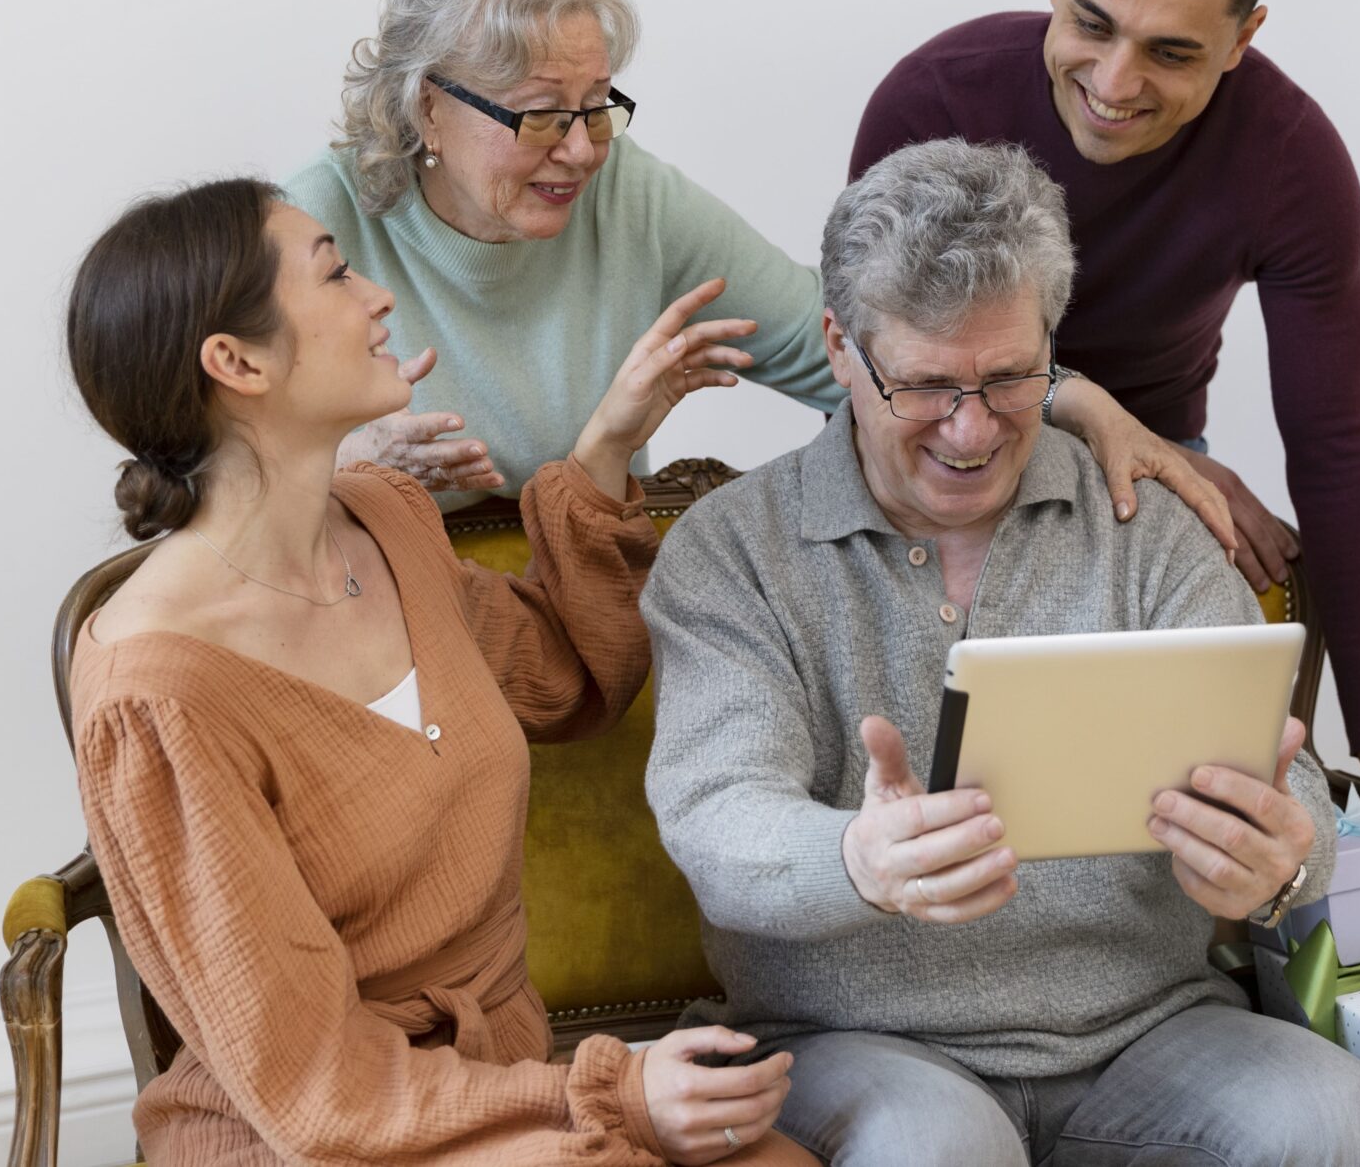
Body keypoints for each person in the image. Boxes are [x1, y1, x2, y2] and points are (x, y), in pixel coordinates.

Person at [643, 141, 1360, 1166]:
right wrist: (856, 860)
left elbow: (1295, 801)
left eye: (1011, 378)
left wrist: (1281, 863)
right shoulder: (732, 548)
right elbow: (717, 822)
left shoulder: (1146, 528)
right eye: (924, 386)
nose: (970, 431)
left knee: (1346, 1130)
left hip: (1155, 1030)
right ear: (839, 346)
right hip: (857, 1044)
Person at [64, 177, 809, 1165]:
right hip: (308, 1134)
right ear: (236, 361)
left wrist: (610, 439)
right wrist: (615, 1088)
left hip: (490, 1092)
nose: (377, 297)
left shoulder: (387, 522)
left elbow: (567, 673)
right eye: (334, 273)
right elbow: (316, 1091)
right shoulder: (155, 694)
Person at [849, 0, 1360, 813]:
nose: (1114, 81)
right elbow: (876, 365)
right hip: (937, 434)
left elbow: (1332, 447)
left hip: (1144, 481)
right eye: (1092, 24)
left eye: (1172, 52)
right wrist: (1100, 421)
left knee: (1181, 782)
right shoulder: (937, 98)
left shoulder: (1291, 164)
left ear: (1243, 38)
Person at [288, 0, 1237, 546]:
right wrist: (342, 470)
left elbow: (844, 349)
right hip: (363, 615)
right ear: (427, 106)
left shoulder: (630, 199)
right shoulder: (310, 228)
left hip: (572, 613)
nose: (580, 150)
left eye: (597, 105)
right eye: (540, 115)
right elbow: (197, 479)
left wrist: (1078, 401)